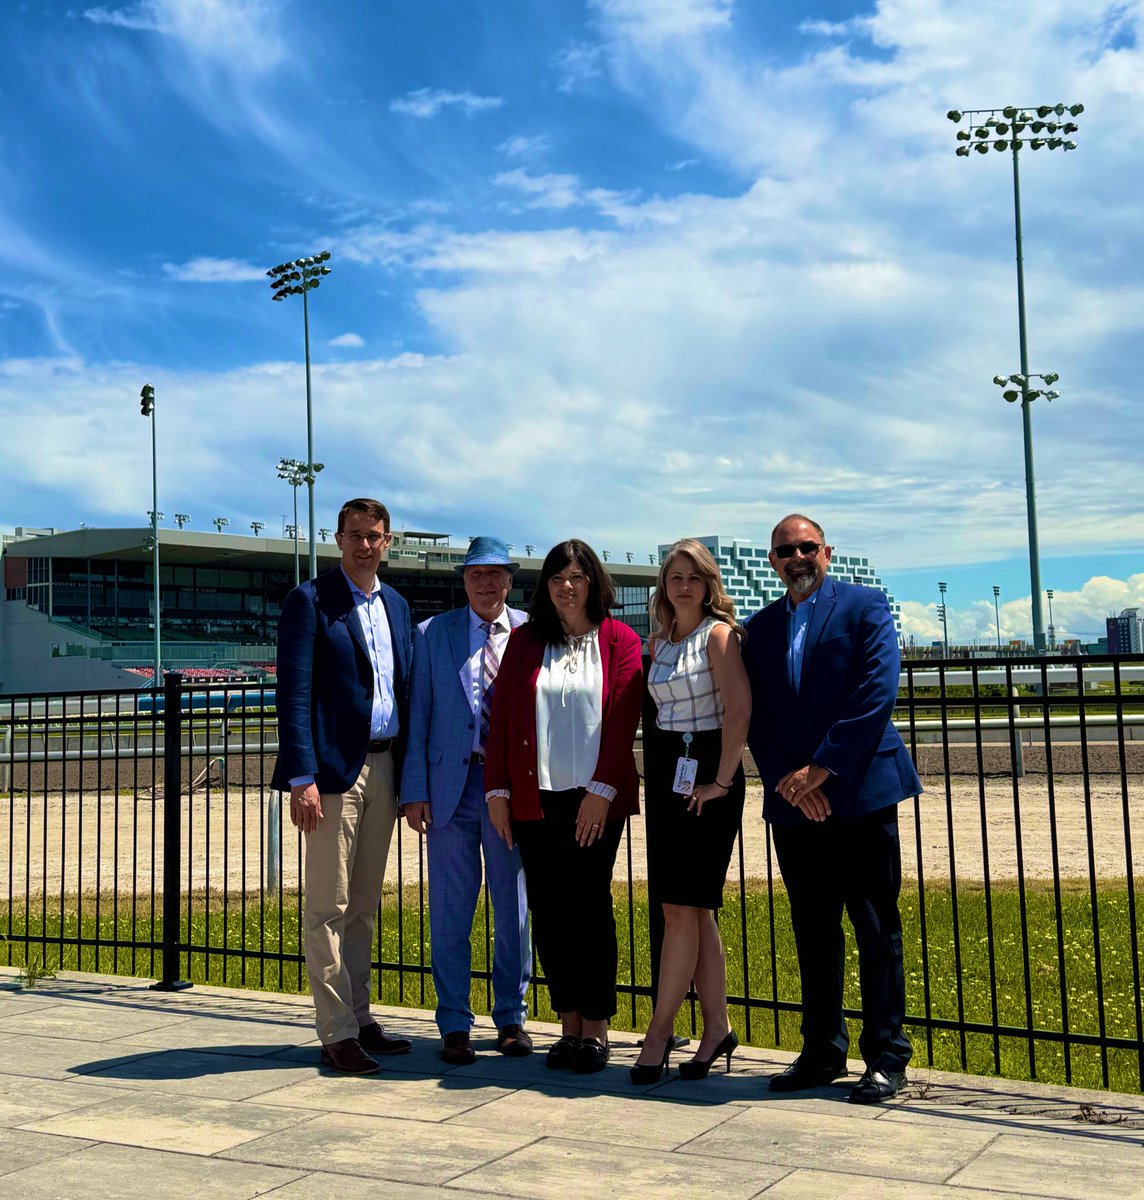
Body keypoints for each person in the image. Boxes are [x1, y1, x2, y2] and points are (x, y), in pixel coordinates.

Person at [741, 513, 921, 1103]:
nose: (797, 557)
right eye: (785, 550)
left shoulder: (865, 606)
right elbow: (755, 714)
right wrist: (789, 781)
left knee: (875, 926)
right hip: (794, 802)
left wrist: (820, 770)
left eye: (807, 547)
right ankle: (821, 1051)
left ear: (827, 552)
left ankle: (886, 1057)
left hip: (860, 791)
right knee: (813, 930)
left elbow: (876, 693)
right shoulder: (759, 628)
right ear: (773, 561)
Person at [484, 539, 643, 1074]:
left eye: (577, 577)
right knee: (549, 911)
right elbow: (502, 722)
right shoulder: (525, 642)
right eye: (557, 579)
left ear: (594, 583)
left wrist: (602, 791)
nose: (567, 587)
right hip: (536, 798)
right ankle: (568, 1023)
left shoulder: (620, 640)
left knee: (589, 907)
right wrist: (498, 793)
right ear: (545, 587)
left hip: (596, 799)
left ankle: (596, 1026)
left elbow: (622, 722)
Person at [271, 497, 413, 1074]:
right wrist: (302, 777)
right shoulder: (310, 600)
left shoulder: (397, 605)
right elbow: (293, 694)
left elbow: (402, 688)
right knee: (327, 906)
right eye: (354, 534)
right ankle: (335, 1032)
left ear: (387, 541)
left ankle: (359, 1016)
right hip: (331, 775)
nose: (364, 544)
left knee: (363, 907)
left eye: (374, 535)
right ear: (338, 539)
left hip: (385, 766)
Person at [401, 536, 532, 1065]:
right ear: (464, 581)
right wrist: (415, 791)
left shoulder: (530, 632)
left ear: (509, 581)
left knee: (513, 909)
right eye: (476, 574)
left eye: (495, 574)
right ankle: (454, 1022)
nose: (486, 583)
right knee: (450, 912)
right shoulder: (433, 633)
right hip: (448, 793)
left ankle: (511, 1017)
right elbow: (418, 715)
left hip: (511, 793)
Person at [631, 539, 750, 1084]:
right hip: (669, 777)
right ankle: (717, 1028)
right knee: (694, 911)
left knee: (680, 907)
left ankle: (658, 1033)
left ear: (708, 585)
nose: (683, 586)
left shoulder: (718, 635)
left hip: (710, 778)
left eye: (693, 578)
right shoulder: (657, 643)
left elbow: (739, 711)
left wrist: (720, 781)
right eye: (674, 577)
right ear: (663, 585)